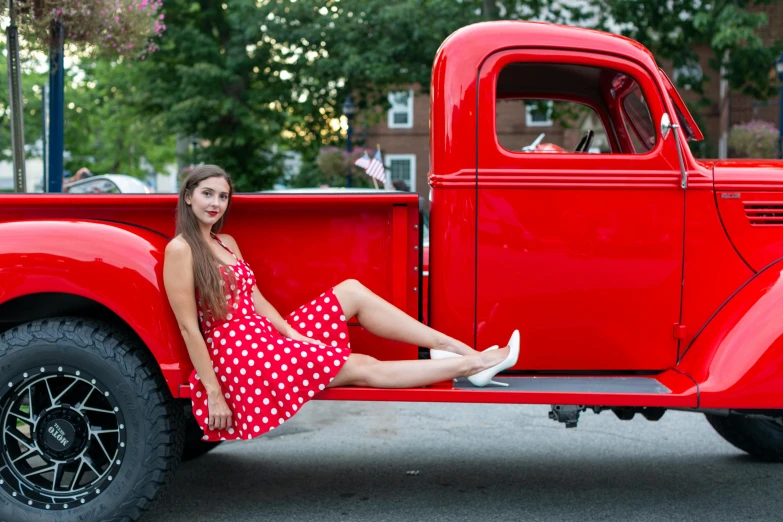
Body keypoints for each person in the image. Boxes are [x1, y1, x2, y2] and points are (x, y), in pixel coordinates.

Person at [163, 165, 519, 441]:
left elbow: (256, 300)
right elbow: (188, 328)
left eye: (222, 197)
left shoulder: (226, 241)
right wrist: (214, 393)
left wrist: (291, 333)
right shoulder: (180, 249)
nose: (215, 203)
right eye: (207, 194)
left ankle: (453, 347)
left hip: (264, 334)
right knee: (360, 365)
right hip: (237, 351)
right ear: (189, 196)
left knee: (350, 290)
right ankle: (473, 364)